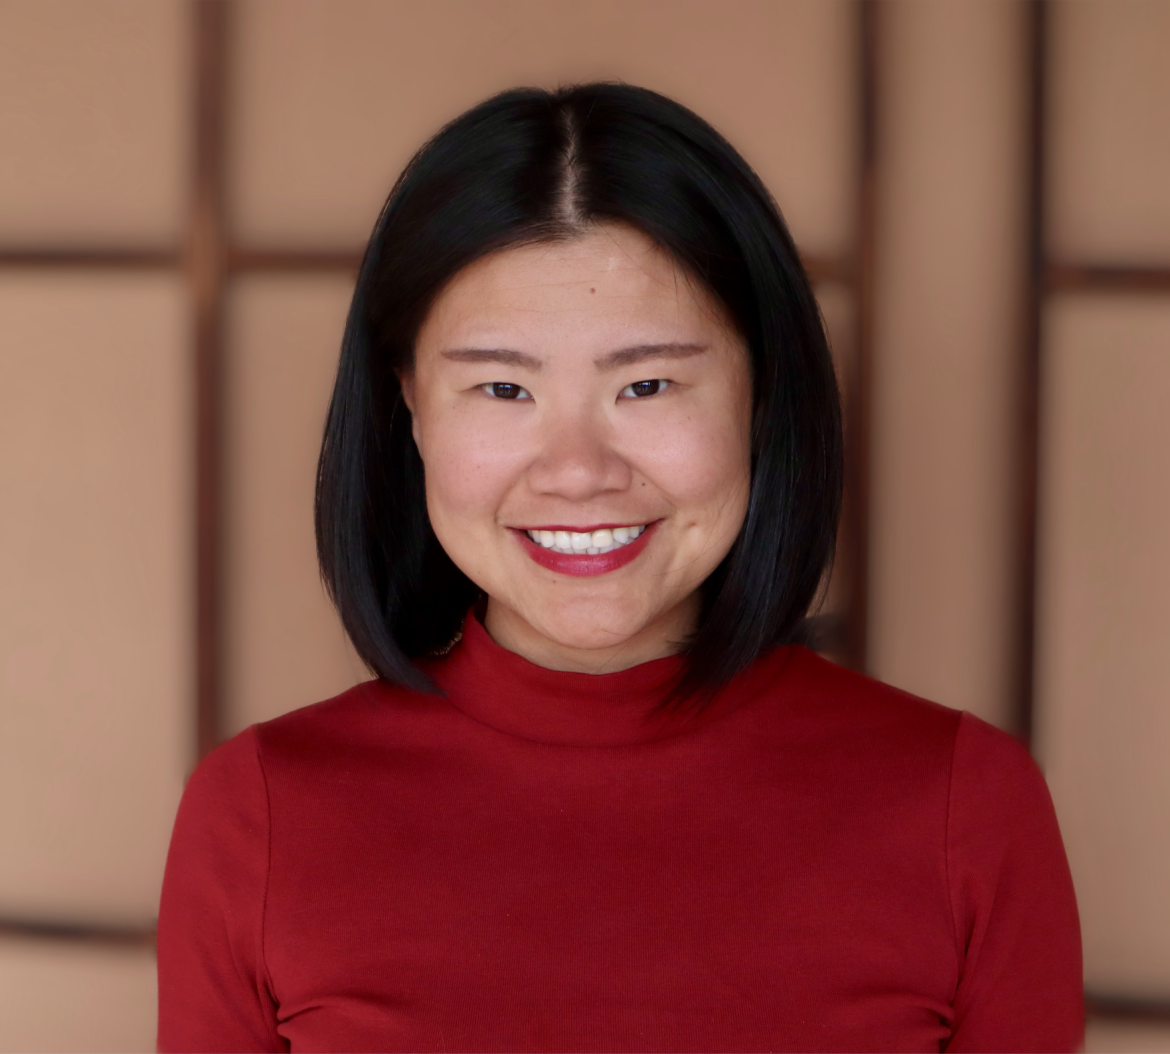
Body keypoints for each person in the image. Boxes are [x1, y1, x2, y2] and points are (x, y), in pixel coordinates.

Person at [157, 83, 1082, 1053]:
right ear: (410, 407)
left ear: (760, 395)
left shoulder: (963, 806)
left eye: (646, 384)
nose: (578, 472)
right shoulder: (257, 814)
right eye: (502, 387)